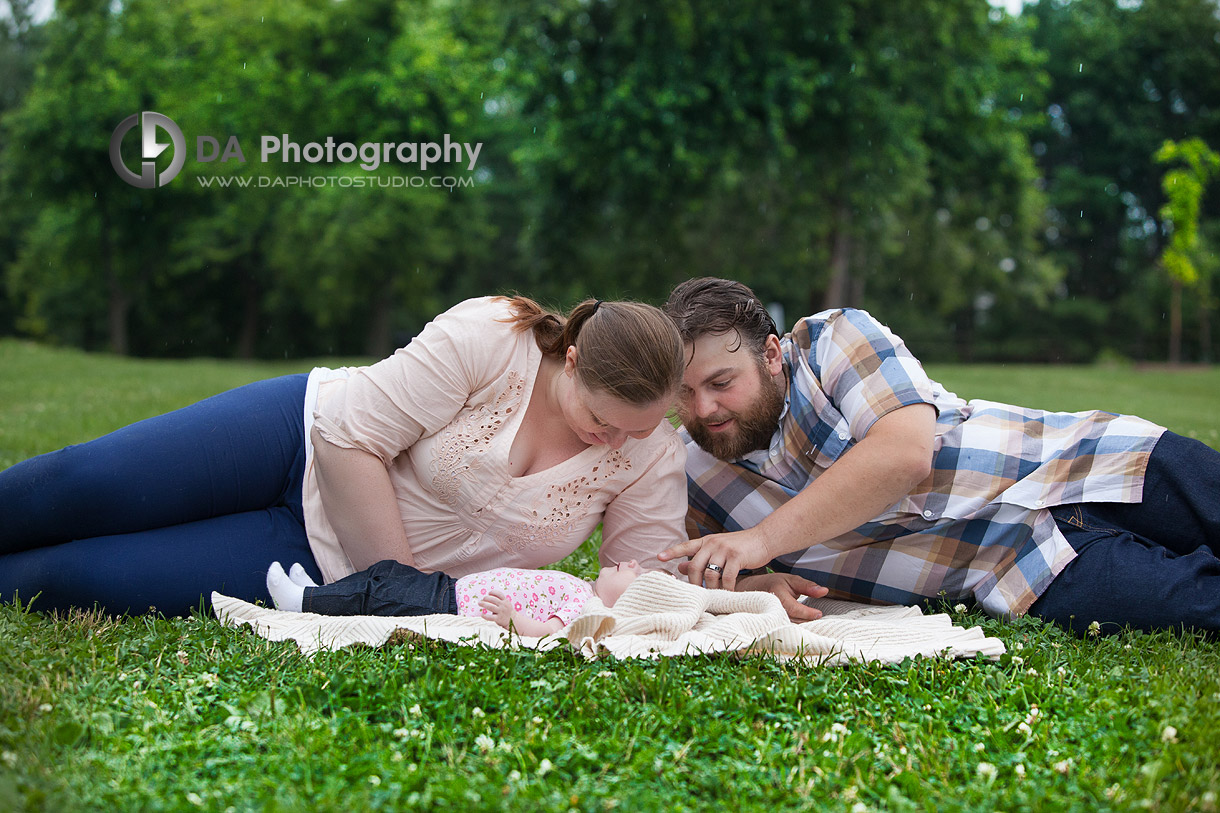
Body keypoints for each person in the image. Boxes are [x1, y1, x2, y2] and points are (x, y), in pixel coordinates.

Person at [0, 295, 689, 617]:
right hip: (295, 438)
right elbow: (349, 437)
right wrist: (405, 593)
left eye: (639, 429)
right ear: (572, 359)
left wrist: (745, 587)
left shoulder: (649, 450)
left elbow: (649, 594)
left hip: (316, 562)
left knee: (70, 580)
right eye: (604, 421)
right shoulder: (493, 336)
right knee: (75, 485)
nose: (617, 443)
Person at [657, 276, 1220, 636]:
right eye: (682, 392)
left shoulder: (832, 340)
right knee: (1201, 610)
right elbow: (669, 581)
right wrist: (751, 585)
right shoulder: (687, 474)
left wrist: (761, 542)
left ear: (772, 356)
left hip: (1089, 459)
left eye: (721, 382)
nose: (703, 407)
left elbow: (903, 455)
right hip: (1024, 569)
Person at [264, 558, 645, 637]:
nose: (630, 562)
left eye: (636, 573)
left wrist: (512, 619)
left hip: (450, 606)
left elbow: (547, 632)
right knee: (386, 571)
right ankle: (319, 592)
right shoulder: (582, 586)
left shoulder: (585, 607)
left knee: (377, 594)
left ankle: (301, 602)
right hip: (452, 587)